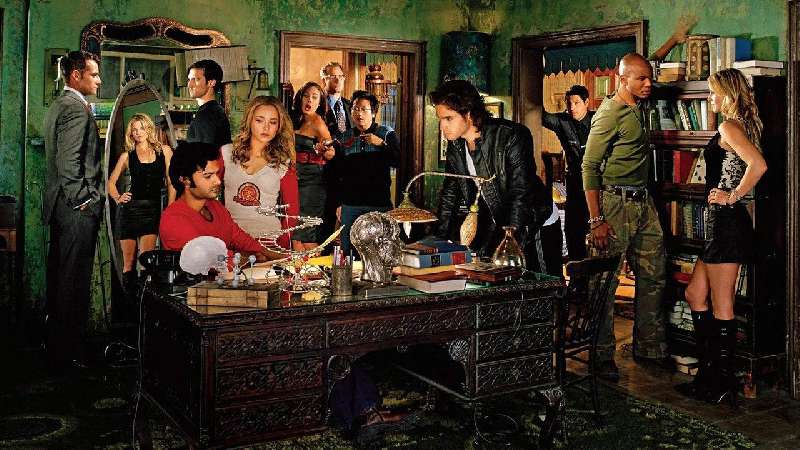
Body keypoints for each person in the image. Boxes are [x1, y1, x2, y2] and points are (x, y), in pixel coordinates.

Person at [678, 68, 766, 405]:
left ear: (729, 94)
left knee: (723, 304)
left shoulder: (729, 126)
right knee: (694, 294)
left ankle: (723, 384)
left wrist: (732, 196)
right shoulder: (737, 125)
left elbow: (758, 165)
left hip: (727, 224)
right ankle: (708, 375)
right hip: (720, 225)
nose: (711, 98)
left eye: (714, 92)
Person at [582, 52, 668, 382]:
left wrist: (673, 41)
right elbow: (589, 167)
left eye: (650, 78)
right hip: (614, 203)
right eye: (641, 79)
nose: (648, 84)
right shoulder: (609, 114)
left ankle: (649, 348)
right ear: (622, 80)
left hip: (643, 201)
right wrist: (596, 220)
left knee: (654, 274)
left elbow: (646, 61)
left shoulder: (639, 105)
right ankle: (601, 355)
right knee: (604, 282)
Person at [431, 80, 562, 277]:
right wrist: (438, 244)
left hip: (536, 223)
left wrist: (509, 243)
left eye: (448, 118)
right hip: (499, 223)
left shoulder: (511, 136)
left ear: (468, 114)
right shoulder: (456, 146)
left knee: (543, 284)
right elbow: (450, 195)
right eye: (440, 119)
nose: (442, 126)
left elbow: (521, 194)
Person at [42, 50, 103, 369]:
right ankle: (68, 354)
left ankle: (57, 348)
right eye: (93, 74)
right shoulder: (76, 109)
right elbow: (68, 162)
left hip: (61, 206)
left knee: (62, 277)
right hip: (74, 209)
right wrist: (84, 200)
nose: (99, 80)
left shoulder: (60, 104)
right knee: (73, 280)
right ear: (76, 75)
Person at [159, 141, 283, 262]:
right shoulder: (174, 219)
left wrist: (276, 255)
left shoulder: (215, 206)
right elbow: (213, 260)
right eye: (208, 176)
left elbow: (238, 237)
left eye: (217, 174)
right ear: (185, 180)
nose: (218, 181)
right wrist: (252, 258)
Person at [222, 96, 300, 250]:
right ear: (250, 121)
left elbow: (292, 212)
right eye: (259, 120)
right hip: (231, 241)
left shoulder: (283, 163)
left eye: (273, 122)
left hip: (269, 242)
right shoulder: (226, 153)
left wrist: (279, 246)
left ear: (279, 127)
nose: (266, 127)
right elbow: (208, 197)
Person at [107, 113, 174, 288]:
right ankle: (129, 301)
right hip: (129, 211)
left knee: (146, 262)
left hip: (151, 211)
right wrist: (118, 197)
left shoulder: (164, 151)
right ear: (131, 133)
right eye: (134, 129)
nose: (138, 132)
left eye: (141, 128)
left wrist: (170, 208)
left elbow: (171, 182)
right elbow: (110, 183)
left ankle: (142, 302)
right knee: (128, 263)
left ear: (149, 129)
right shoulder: (127, 156)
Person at [333, 91, 400, 256]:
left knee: (381, 252)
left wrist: (382, 145)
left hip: (379, 205)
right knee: (349, 253)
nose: (359, 113)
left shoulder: (387, 133)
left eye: (364, 109)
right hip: (350, 205)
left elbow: (398, 161)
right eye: (355, 109)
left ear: (374, 112)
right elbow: (337, 173)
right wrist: (339, 203)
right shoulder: (344, 138)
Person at [542, 84, 594, 261]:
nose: (572, 107)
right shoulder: (563, 121)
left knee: (597, 226)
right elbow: (541, 116)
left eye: (576, 103)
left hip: (597, 182)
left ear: (586, 102)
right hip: (575, 181)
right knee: (573, 229)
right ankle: (575, 268)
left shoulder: (598, 120)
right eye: (569, 103)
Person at [291, 82, 336, 249]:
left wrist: (322, 149)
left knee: (306, 232)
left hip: (312, 181)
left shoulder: (319, 123)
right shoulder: (295, 119)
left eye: (314, 97)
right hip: (294, 177)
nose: (309, 100)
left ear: (319, 103)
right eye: (306, 96)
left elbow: (331, 153)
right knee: (295, 233)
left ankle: (316, 265)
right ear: (300, 98)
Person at [186, 59, 231, 152]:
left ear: (211, 83)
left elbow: (203, 155)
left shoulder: (206, 115)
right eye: (189, 80)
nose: (190, 85)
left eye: (196, 79)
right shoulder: (215, 110)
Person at [321, 62, 351, 138]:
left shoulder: (350, 105)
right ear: (324, 80)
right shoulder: (318, 104)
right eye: (333, 76)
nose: (338, 80)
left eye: (340, 76)